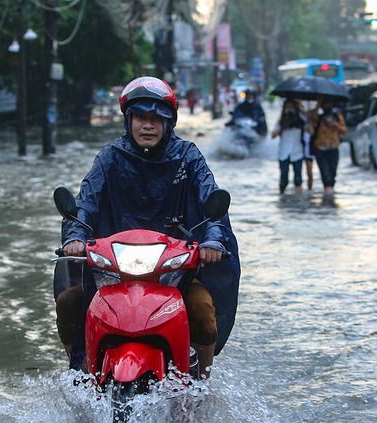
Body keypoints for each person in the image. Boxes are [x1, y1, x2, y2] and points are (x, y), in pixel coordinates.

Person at [55, 76, 241, 378]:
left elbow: (211, 201)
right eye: (141, 117)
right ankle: (80, 376)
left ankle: (203, 384)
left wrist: (213, 242)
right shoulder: (110, 157)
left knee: (203, 312)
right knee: (69, 303)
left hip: (176, 272)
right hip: (112, 272)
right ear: (129, 120)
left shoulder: (188, 157)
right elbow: (85, 202)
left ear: (170, 123)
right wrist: (75, 235)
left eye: (157, 118)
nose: (148, 125)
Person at [307, 96, 347, 194]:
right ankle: (328, 193)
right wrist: (318, 103)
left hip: (333, 148)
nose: (327, 106)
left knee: (332, 174)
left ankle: (329, 196)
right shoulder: (319, 117)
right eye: (325, 103)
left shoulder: (337, 117)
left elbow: (344, 131)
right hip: (320, 149)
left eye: (329, 103)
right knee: (325, 174)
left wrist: (334, 124)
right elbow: (312, 118)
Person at [271, 99, 306, 194]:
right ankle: (281, 195)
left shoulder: (301, 119)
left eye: (291, 107)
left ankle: (299, 198)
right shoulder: (281, 120)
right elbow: (273, 135)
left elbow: (310, 131)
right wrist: (282, 126)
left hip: (297, 152)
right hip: (284, 152)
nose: (289, 109)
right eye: (288, 107)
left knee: (298, 178)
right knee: (283, 177)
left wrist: (301, 111)